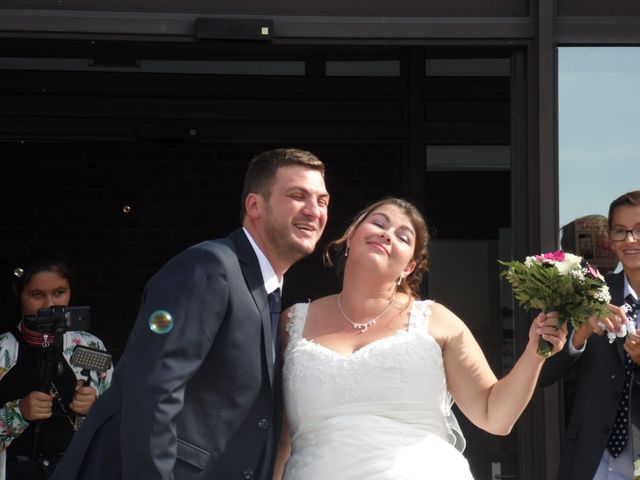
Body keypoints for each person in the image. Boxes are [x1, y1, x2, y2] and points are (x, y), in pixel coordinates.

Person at [50, 148, 329, 480]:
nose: (314, 210)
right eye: (298, 196)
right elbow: (154, 390)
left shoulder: (268, 293)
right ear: (254, 205)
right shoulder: (211, 267)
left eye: (322, 201)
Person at [273, 197, 567, 480]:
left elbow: (494, 415)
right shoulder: (293, 323)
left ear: (408, 268)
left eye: (403, 237)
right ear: (350, 237)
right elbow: (280, 439)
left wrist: (534, 353)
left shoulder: (436, 320)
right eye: (379, 223)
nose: (387, 235)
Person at [540, 190, 640, 480]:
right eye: (620, 231)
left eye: (638, 230)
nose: (630, 240)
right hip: (591, 461)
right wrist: (580, 333)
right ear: (610, 237)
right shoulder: (587, 294)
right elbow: (544, 373)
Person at [0, 246, 113, 479]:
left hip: (74, 470)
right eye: (37, 295)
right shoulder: (2, 351)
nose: (49, 305)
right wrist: (19, 412)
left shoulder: (89, 346)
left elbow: (118, 422)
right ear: (17, 292)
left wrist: (94, 407)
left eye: (59, 292)